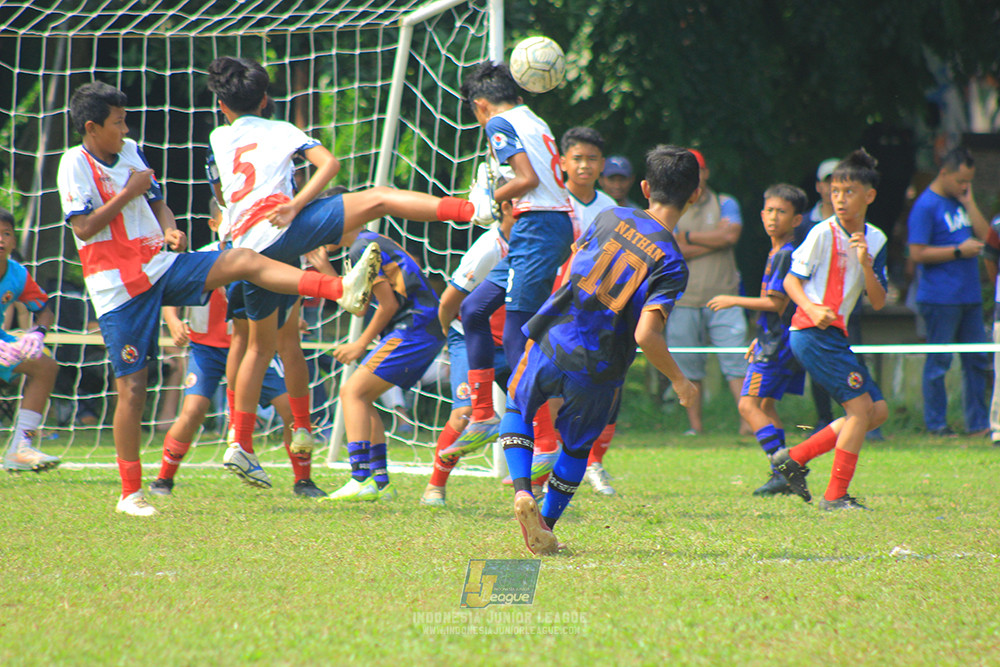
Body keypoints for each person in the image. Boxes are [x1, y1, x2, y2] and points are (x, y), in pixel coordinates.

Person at [56, 81, 380, 516]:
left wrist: (168, 226)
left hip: (162, 265)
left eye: (125, 120)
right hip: (119, 289)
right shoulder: (73, 164)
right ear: (92, 128)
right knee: (133, 387)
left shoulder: (130, 150)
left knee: (242, 258)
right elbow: (83, 228)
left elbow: (157, 202)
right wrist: (129, 193)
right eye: (118, 122)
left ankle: (339, 288)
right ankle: (132, 492)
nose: (125, 128)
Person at [205, 56, 478, 490]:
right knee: (380, 198)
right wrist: (295, 205)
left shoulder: (219, 137)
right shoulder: (281, 130)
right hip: (283, 227)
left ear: (222, 106)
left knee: (258, 347)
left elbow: (224, 191)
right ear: (265, 99)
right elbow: (329, 165)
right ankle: (471, 208)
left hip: (245, 248)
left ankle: (240, 442)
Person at [498, 145, 700, 554]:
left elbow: (575, 265)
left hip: (553, 336)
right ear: (694, 195)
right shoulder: (673, 262)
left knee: (519, 408)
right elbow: (646, 335)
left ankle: (522, 491)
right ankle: (546, 526)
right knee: (575, 448)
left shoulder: (611, 215)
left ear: (644, 187)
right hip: (598, 366)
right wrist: (680, 381)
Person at [149, 204, 327, 498]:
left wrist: (290, 317)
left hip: (252, 352)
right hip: (207, 348)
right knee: (193, 411)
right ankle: (163, 479)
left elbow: (277, 296)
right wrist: (172, 320)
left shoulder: (262, 254)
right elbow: (173, 289)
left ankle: (303, 480)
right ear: (215, 222)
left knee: (288, 409)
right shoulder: (204, 256)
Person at [450, 61, 574, 453]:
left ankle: (543, 443)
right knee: (472, 309)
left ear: (480, 105)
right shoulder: (532, 118)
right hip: (535, 230)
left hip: (539, 228)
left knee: (518, 342)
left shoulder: (498, 124)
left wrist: (490, 198)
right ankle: (484, 413)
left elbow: (527, 179)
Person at [773, 149, 889, 511]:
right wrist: (810, 307)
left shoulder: (877, 240)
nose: (839, 198)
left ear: (869, 196)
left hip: (834, 337)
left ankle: (794, 458)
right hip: (811, 332)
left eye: (848, 191)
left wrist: (866, 264)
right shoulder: (822, 233)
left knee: (877, 412)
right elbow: (791, 282)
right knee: (859, 411)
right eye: (835, 191)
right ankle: (835, 495)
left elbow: (880, 300)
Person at [313, 229, 446, 501]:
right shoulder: (367, 242)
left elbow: (387, 304)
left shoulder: (361, 247)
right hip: (422, 327)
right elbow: (359, 306)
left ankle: (360, 478)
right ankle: (381, 484)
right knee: (364, 397)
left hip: (415, 327)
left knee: (352, 393)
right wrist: (327, 270)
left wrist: (360, 344)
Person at [708, 184, 807, 496]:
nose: (773, 217)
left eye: (782, 212)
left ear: (796, 220)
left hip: (777, 345)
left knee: (748, 405)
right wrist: (758, 336)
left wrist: (733, 300)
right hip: (776, 340)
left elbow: (776, 304)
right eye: (769, 211)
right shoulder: (777, 252)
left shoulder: (786, 254)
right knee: (765, 405)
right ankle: (785, 475)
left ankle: (785, 470)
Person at [420, 201, 514, 507]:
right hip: (472, 340)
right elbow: (449, 302)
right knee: (464, 414)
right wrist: (453, 339)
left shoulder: (542, 243)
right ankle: (435, 486)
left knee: (541, 409)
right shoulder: (489, 248)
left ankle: (531, 487)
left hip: (515, 341)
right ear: (508, 207)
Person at [907, 146, 991, 436]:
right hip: (940, 297)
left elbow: (987, 237)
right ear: (943, 172)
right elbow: (916, 253)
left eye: (969, 181)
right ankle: (937, 424)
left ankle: (979, 423)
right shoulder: (926, 206)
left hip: (970, 296)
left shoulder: (961, 201)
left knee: (977, 360)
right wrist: (958, 250)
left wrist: (969, 202)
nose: (964, 186)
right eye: (960, 180)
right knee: (939, 362)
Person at [669, 149, 749, 435]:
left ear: (706, 172)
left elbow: (731, 235)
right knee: (688, 367)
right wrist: (714, 241)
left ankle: (748, 424)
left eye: (699, 169)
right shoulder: (674, 205)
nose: (695, 176)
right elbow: (672, 247)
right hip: (684, 300)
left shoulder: (726, 202)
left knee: (737, 363)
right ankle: (696, 428)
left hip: (725, 297)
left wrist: (688, 237)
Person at [560, 126, 619, 496]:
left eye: (592, 158)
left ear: (601, 165)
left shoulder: (612, 211)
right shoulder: (551, 203)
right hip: (555, 308)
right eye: (577, 158)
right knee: (551, 389)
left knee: (607, 387)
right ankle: (548, 461)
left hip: (599, 311)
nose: (584, 165)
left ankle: (594, 461)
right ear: (562, 161)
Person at [0, 208, 61, 473]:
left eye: (6, 233)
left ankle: (21, 448)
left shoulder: (18, 274)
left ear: (14, 241)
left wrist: (38, 333)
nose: (1, 240)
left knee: (45, 366)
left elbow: (44, 310)